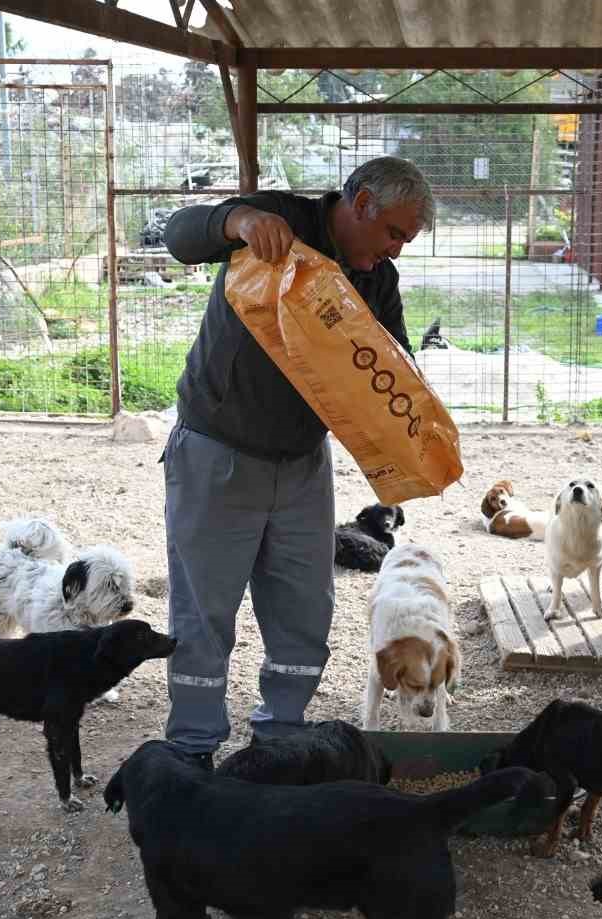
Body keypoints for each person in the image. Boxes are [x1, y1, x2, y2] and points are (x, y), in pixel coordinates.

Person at [159, 156, 434, 767]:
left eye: (405, 242)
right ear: (361, 204)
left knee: (305, 613)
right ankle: (193, 751)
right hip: (217, 455)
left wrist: (419, 421)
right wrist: (238, 219)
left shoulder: (375, 279)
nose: (395, 251)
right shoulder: (282, 219)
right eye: (393, 233)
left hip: (304, 466)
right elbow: (179, 235)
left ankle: (281, 736)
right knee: (203, 613)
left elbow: (395, 366)